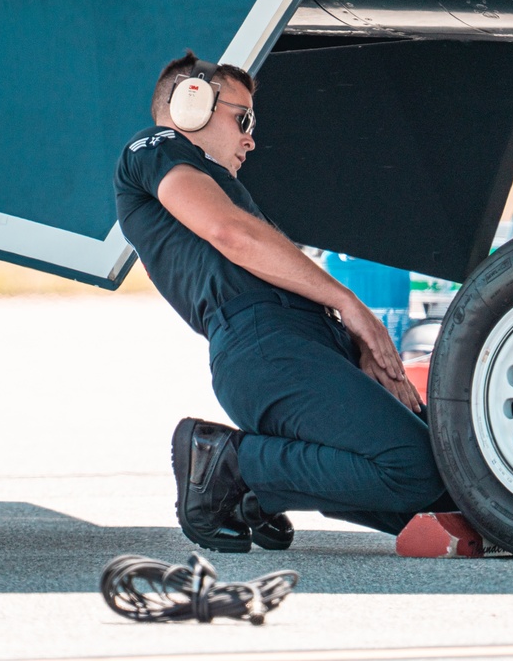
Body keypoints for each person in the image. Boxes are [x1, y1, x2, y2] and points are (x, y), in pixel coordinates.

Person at [113, 52, 455, 552]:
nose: (250, 137)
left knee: (445, 491)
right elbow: (231, 234)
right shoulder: (153, 149)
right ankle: (230, 465)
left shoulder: (216, 184)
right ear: (192, 104)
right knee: (414, 469)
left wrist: (354, 345)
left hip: (299, 343)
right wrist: (350, 305)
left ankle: (254, 496)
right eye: (242, 118)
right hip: (267, 346)